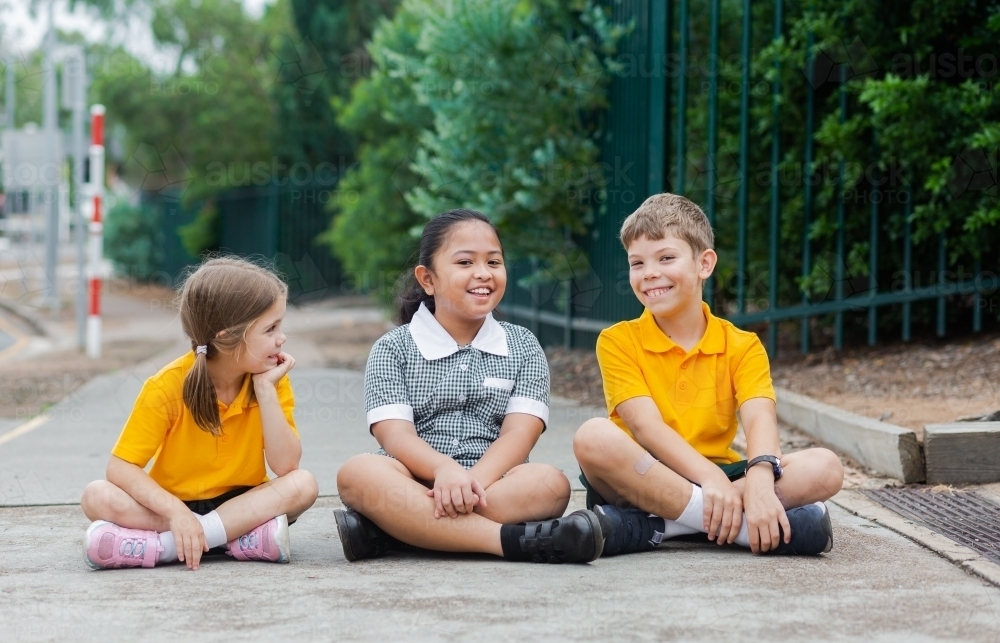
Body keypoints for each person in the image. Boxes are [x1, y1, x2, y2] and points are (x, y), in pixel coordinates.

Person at [573, 193, 844, 556]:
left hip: (725, 476)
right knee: (593, 437)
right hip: (643, 475)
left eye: (666, 258)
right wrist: (710, 479)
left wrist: (761, 480)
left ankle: (659, 528)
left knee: (825, 467)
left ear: (704, 263)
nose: (649, 272)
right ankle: (743, 529)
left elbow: (760, 418)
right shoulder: (618, 340)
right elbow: (645, 428)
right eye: (637, 263)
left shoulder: (742, 344)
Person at [335, 209, 606, 564]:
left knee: (550, 484)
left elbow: (518, 436)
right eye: (465, 262)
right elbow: (395, 437)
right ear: (427, 279)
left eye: (494, 261)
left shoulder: (523, 346)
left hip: (493, 486)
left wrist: (471, 482)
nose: (483, 273)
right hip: (415, 483)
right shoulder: (394, 347)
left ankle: (394, 532)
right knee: (357, 474)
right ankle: (510, 541)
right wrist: (444, 471)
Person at [80, 257, 318, 570]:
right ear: (226, 336)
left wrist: (265, 392)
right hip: (171, 507)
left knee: (304, 484)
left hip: (244, 504)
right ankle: (237, 541)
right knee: (95, 496)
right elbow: (121, 468)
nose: (281, 337)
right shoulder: (166, 385)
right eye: (270, 328)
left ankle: (165, 548)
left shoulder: (270, 380)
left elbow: (286, 465)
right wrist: (176, 513)